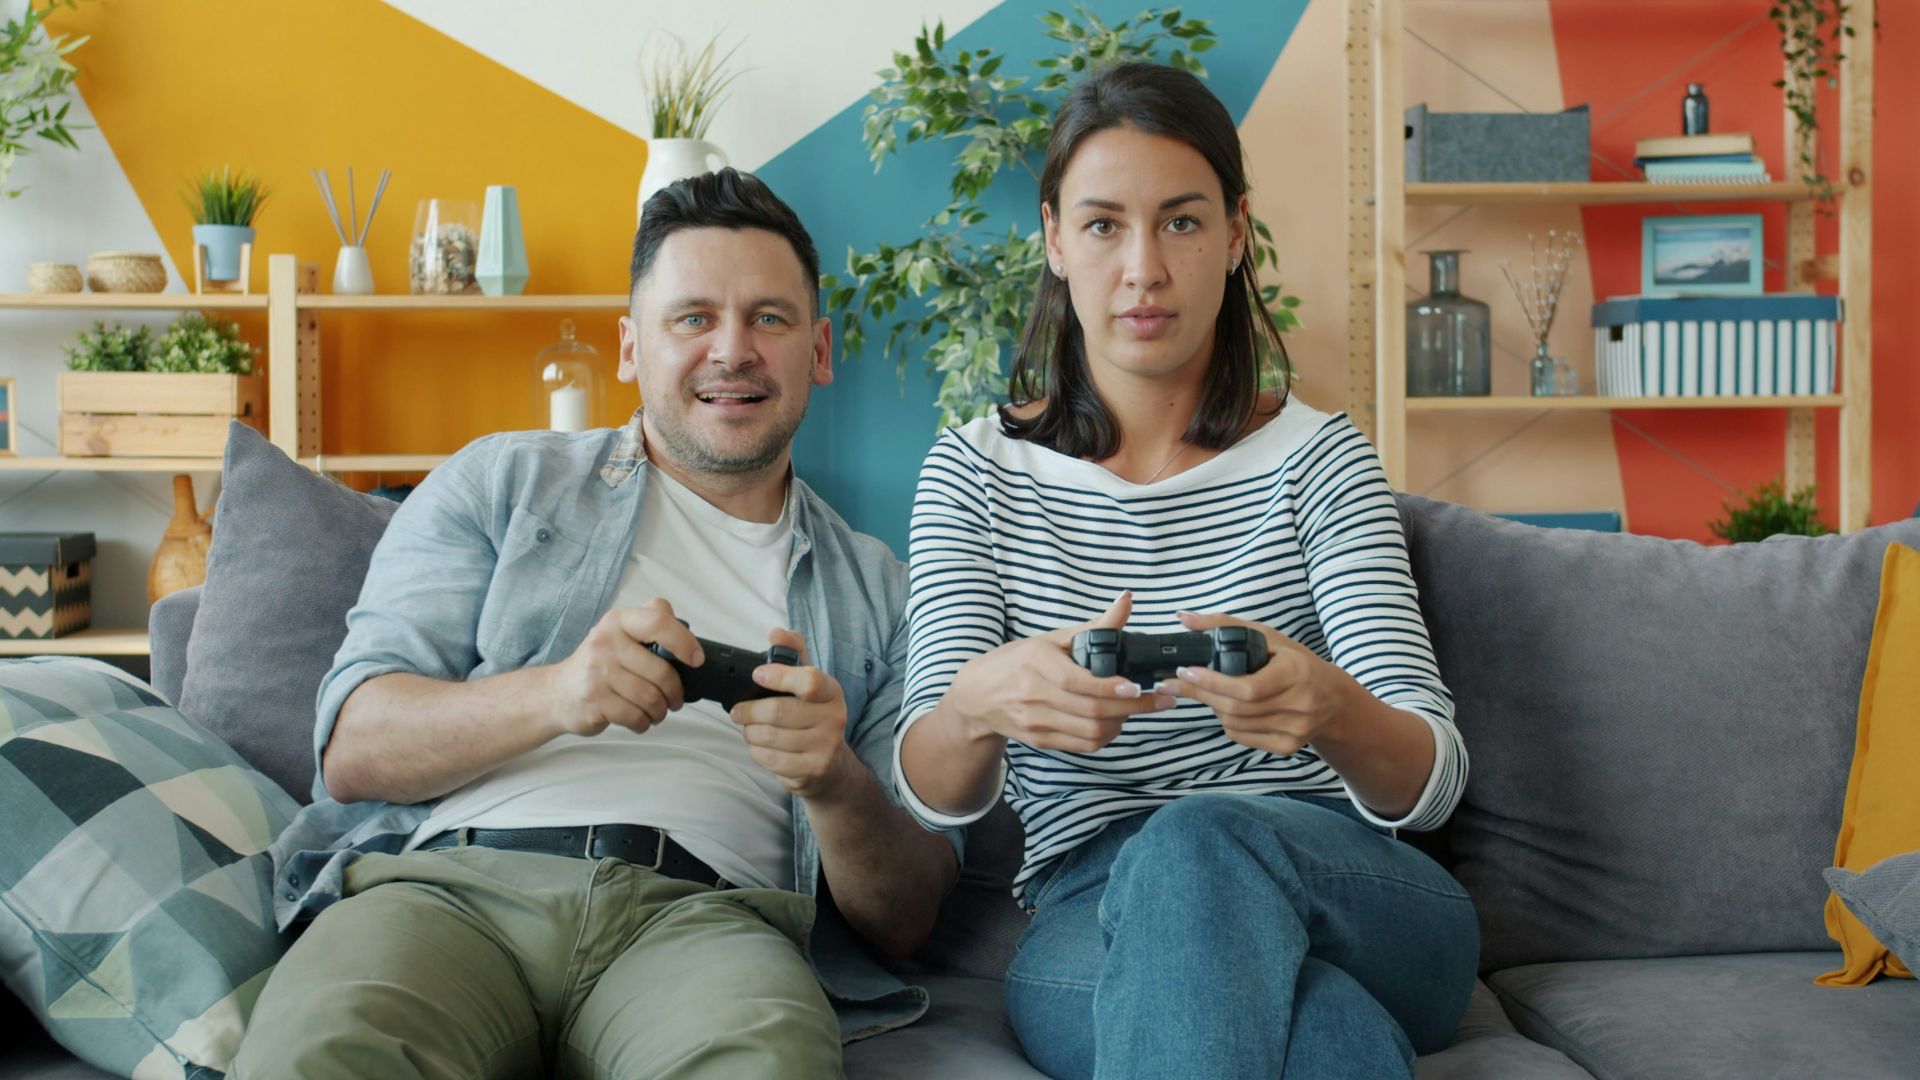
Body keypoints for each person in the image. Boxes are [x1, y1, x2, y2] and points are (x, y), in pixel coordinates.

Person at [235, 168, 960, 1080]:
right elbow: (353, 746)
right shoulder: (501, 481)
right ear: (629, 347)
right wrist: (556, 695)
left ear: (818, 351)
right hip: (449, 894)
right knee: (318, 1055)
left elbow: (908, 916)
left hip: (708, 926)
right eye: (692, 318)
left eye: (769, 319)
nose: (731, 350)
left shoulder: (885, 592)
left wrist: (834, 780)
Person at [894, 62, 1478, 1079]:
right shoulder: (974, 473)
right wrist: (980, 705)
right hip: (1090, 908)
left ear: (1237, 232)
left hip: (1346, 886)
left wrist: (1332, 708)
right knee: (1322, 1038)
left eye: (1181, 222)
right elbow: (929, 790)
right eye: (1104, 225)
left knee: (1200, 841)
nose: (1144, 269)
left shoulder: (1321, 460)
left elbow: (1431, 783)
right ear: (1054, 239)